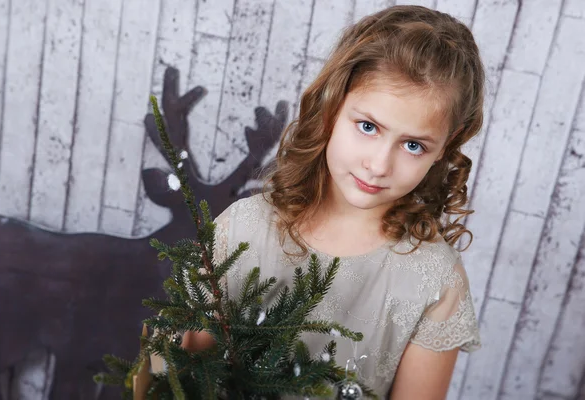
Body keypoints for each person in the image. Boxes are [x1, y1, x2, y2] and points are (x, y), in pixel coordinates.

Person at [183, 5, 484, 399]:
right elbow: (184, 376)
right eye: (368, 126)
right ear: (332, 104)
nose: (378, 165)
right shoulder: (243, 230)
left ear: (447, 144)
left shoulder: (436, 283)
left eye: (413, 145)